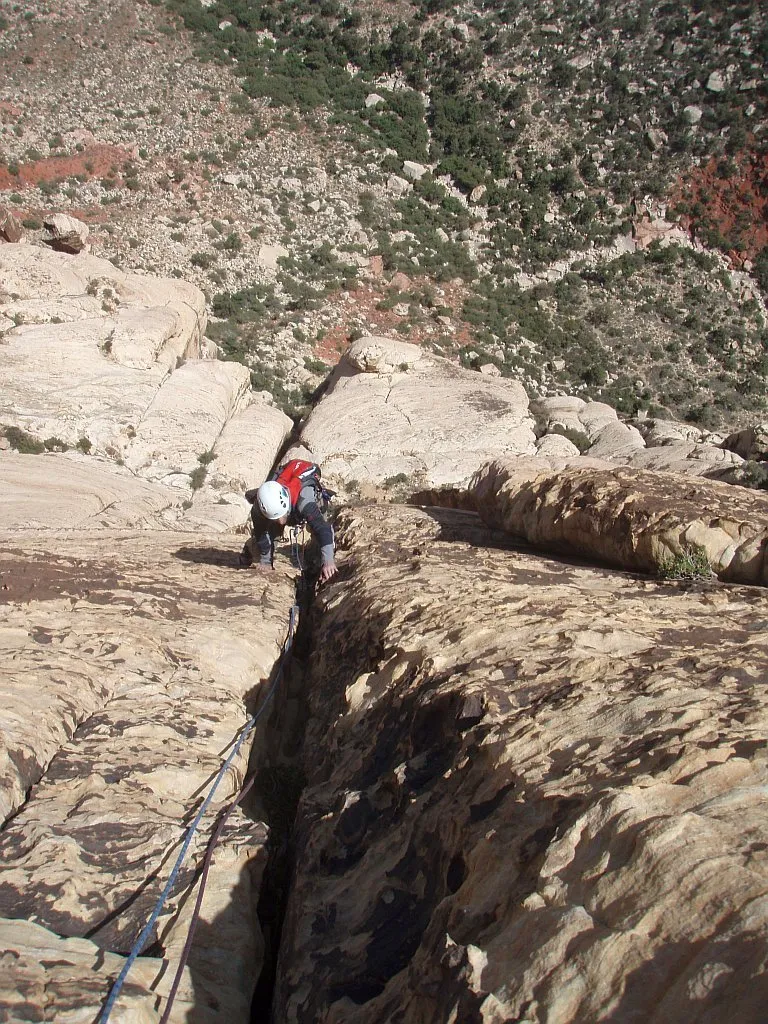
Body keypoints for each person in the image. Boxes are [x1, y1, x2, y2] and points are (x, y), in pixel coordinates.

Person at [240, 459, 338, 583]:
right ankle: (250, 549)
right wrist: (265, 560)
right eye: (276, 518)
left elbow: (322, 528)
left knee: (320, 542)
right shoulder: (259, 507)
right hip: (286, 503)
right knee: (270, 533)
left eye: (282, 515)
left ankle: (316, 567)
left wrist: (328, 561)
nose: (281, 522)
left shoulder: (305, 502)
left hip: (303, 500)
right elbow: (261, 531)